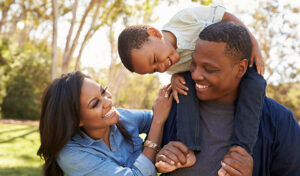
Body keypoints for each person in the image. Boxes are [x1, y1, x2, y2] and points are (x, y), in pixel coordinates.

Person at [118, 5, 266, 158]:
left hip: (234, 59)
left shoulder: (184, 19)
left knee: (256, 84)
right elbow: (186, 71)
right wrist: (175, 77)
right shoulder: (169, 66)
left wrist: (253, 45)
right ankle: (187, 148)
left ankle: (241, 149)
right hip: (209, 77)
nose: (161, 68)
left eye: (155, 59)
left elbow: (226, 16)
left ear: (154, 33)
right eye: (155, 70)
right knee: (182, 88)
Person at [155, 21, 300, 176]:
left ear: (241, 68)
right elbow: (144, 161)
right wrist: (160, 159)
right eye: (193, 64)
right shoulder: (174, 104)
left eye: (210, 69)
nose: (195, 75)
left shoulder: (278, 121)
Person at [37, 71, 174, 176]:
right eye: (95, 103)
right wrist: (157, 123)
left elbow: (165, 118)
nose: (108, 102)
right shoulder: (71, 155)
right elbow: (158, 120)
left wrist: (176, 81)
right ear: (76, 120)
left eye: (103, 91)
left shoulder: (122, 118)